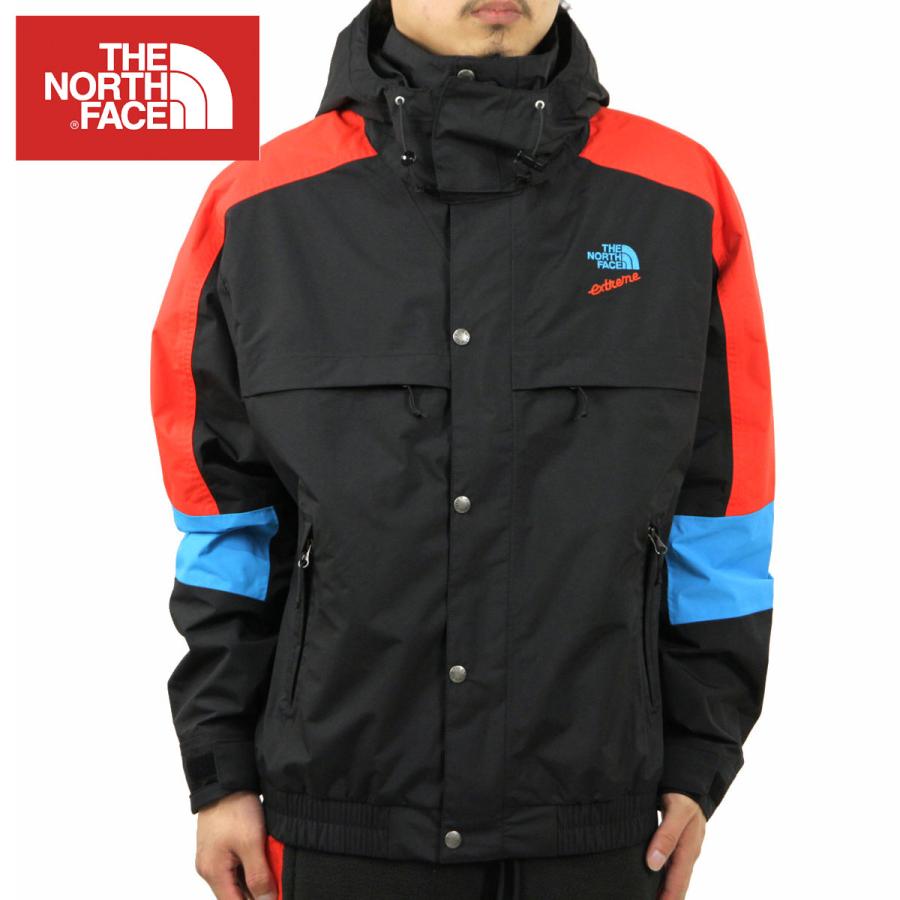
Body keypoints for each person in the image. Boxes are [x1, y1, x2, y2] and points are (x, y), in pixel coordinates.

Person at [149, 1, 775, 897]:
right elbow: (225, 519)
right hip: (339, 815)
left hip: (599, 818)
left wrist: (701, 756)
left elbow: (725, 508)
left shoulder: (679, 196)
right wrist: (220, 772)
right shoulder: (261, 205)